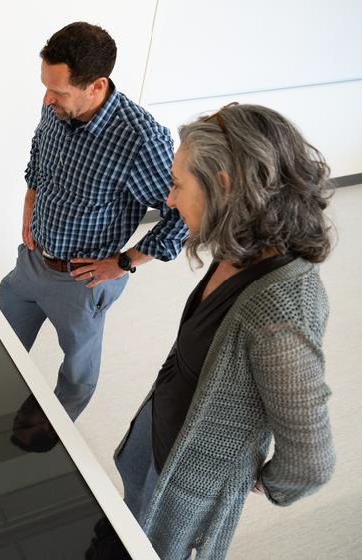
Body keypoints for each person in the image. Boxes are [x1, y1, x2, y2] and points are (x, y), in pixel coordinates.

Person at [114, 103, 336, 560]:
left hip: (184, 484)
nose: (169, 200)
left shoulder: (281, 313)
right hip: (159, 437)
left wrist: (259, 481)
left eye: (178, 185)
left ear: (224, 185)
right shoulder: (239, 247)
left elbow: (311, 462)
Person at [0, 22, 188, 421]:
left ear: (97, 86)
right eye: (45, 87)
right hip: (31, 261)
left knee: (77, 375)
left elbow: (182, 215)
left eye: (59, 91)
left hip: (82, 282)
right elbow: (39, 151)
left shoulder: (141, 140)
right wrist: (30, 199)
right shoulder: (55, 107)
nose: (47, 99)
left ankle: (55, 434)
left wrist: (124, 262)